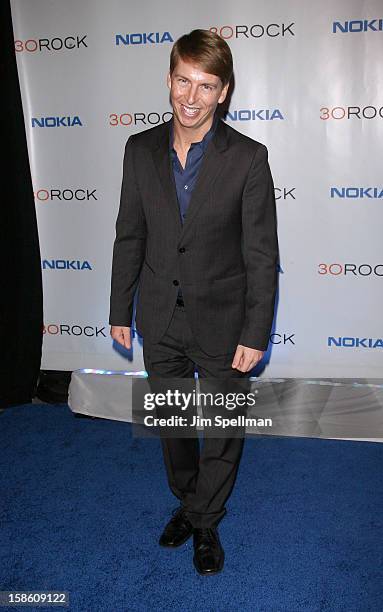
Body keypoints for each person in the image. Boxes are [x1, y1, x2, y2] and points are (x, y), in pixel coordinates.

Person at [109, 29, 278, 575]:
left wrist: (255, 332)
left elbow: (260, 255)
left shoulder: (249, 159)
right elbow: (129, 235)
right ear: (169, 79)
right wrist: (119, 312)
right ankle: (188, 500)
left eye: (206, 86)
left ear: (223, 92)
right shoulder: (138, 150)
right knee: (175, 425)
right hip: (159, 318)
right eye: (183, 80)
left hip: (226, 322)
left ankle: (206, 521)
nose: (191, 96)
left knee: (224, 429)